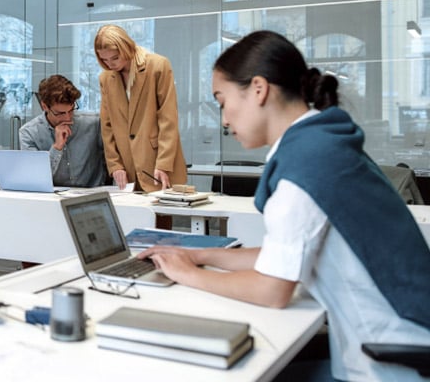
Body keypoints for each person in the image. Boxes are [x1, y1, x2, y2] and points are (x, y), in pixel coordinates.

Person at [138, 31, 430, 381]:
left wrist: (188, 275)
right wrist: (199, 255)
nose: (224, 120)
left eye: (222, 101)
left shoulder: (305, 165)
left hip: (390, 359)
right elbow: (281, 255)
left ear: (259, 89)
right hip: (390, 339)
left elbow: (272, 290)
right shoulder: (321, 144)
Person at [94, 24, 187, 191]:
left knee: (160, 217)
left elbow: (168, 119)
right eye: (104, 60)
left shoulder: (158, 66)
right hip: (128, 170)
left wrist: (164, 163)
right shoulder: (106, 78)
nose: (109, 64)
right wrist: (115, 165)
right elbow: (107, 126)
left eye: (114, 58)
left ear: (126, 47)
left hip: (158, 165)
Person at [19, 74, 107, 187]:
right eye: (60, 113)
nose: (67, 118)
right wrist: (57, 147)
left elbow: (113, 158)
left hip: (92, 195)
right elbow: (35, 177)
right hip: (52, 198)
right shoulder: (29, 133)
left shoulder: (94, 123)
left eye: (71, 110)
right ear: (45, 106)